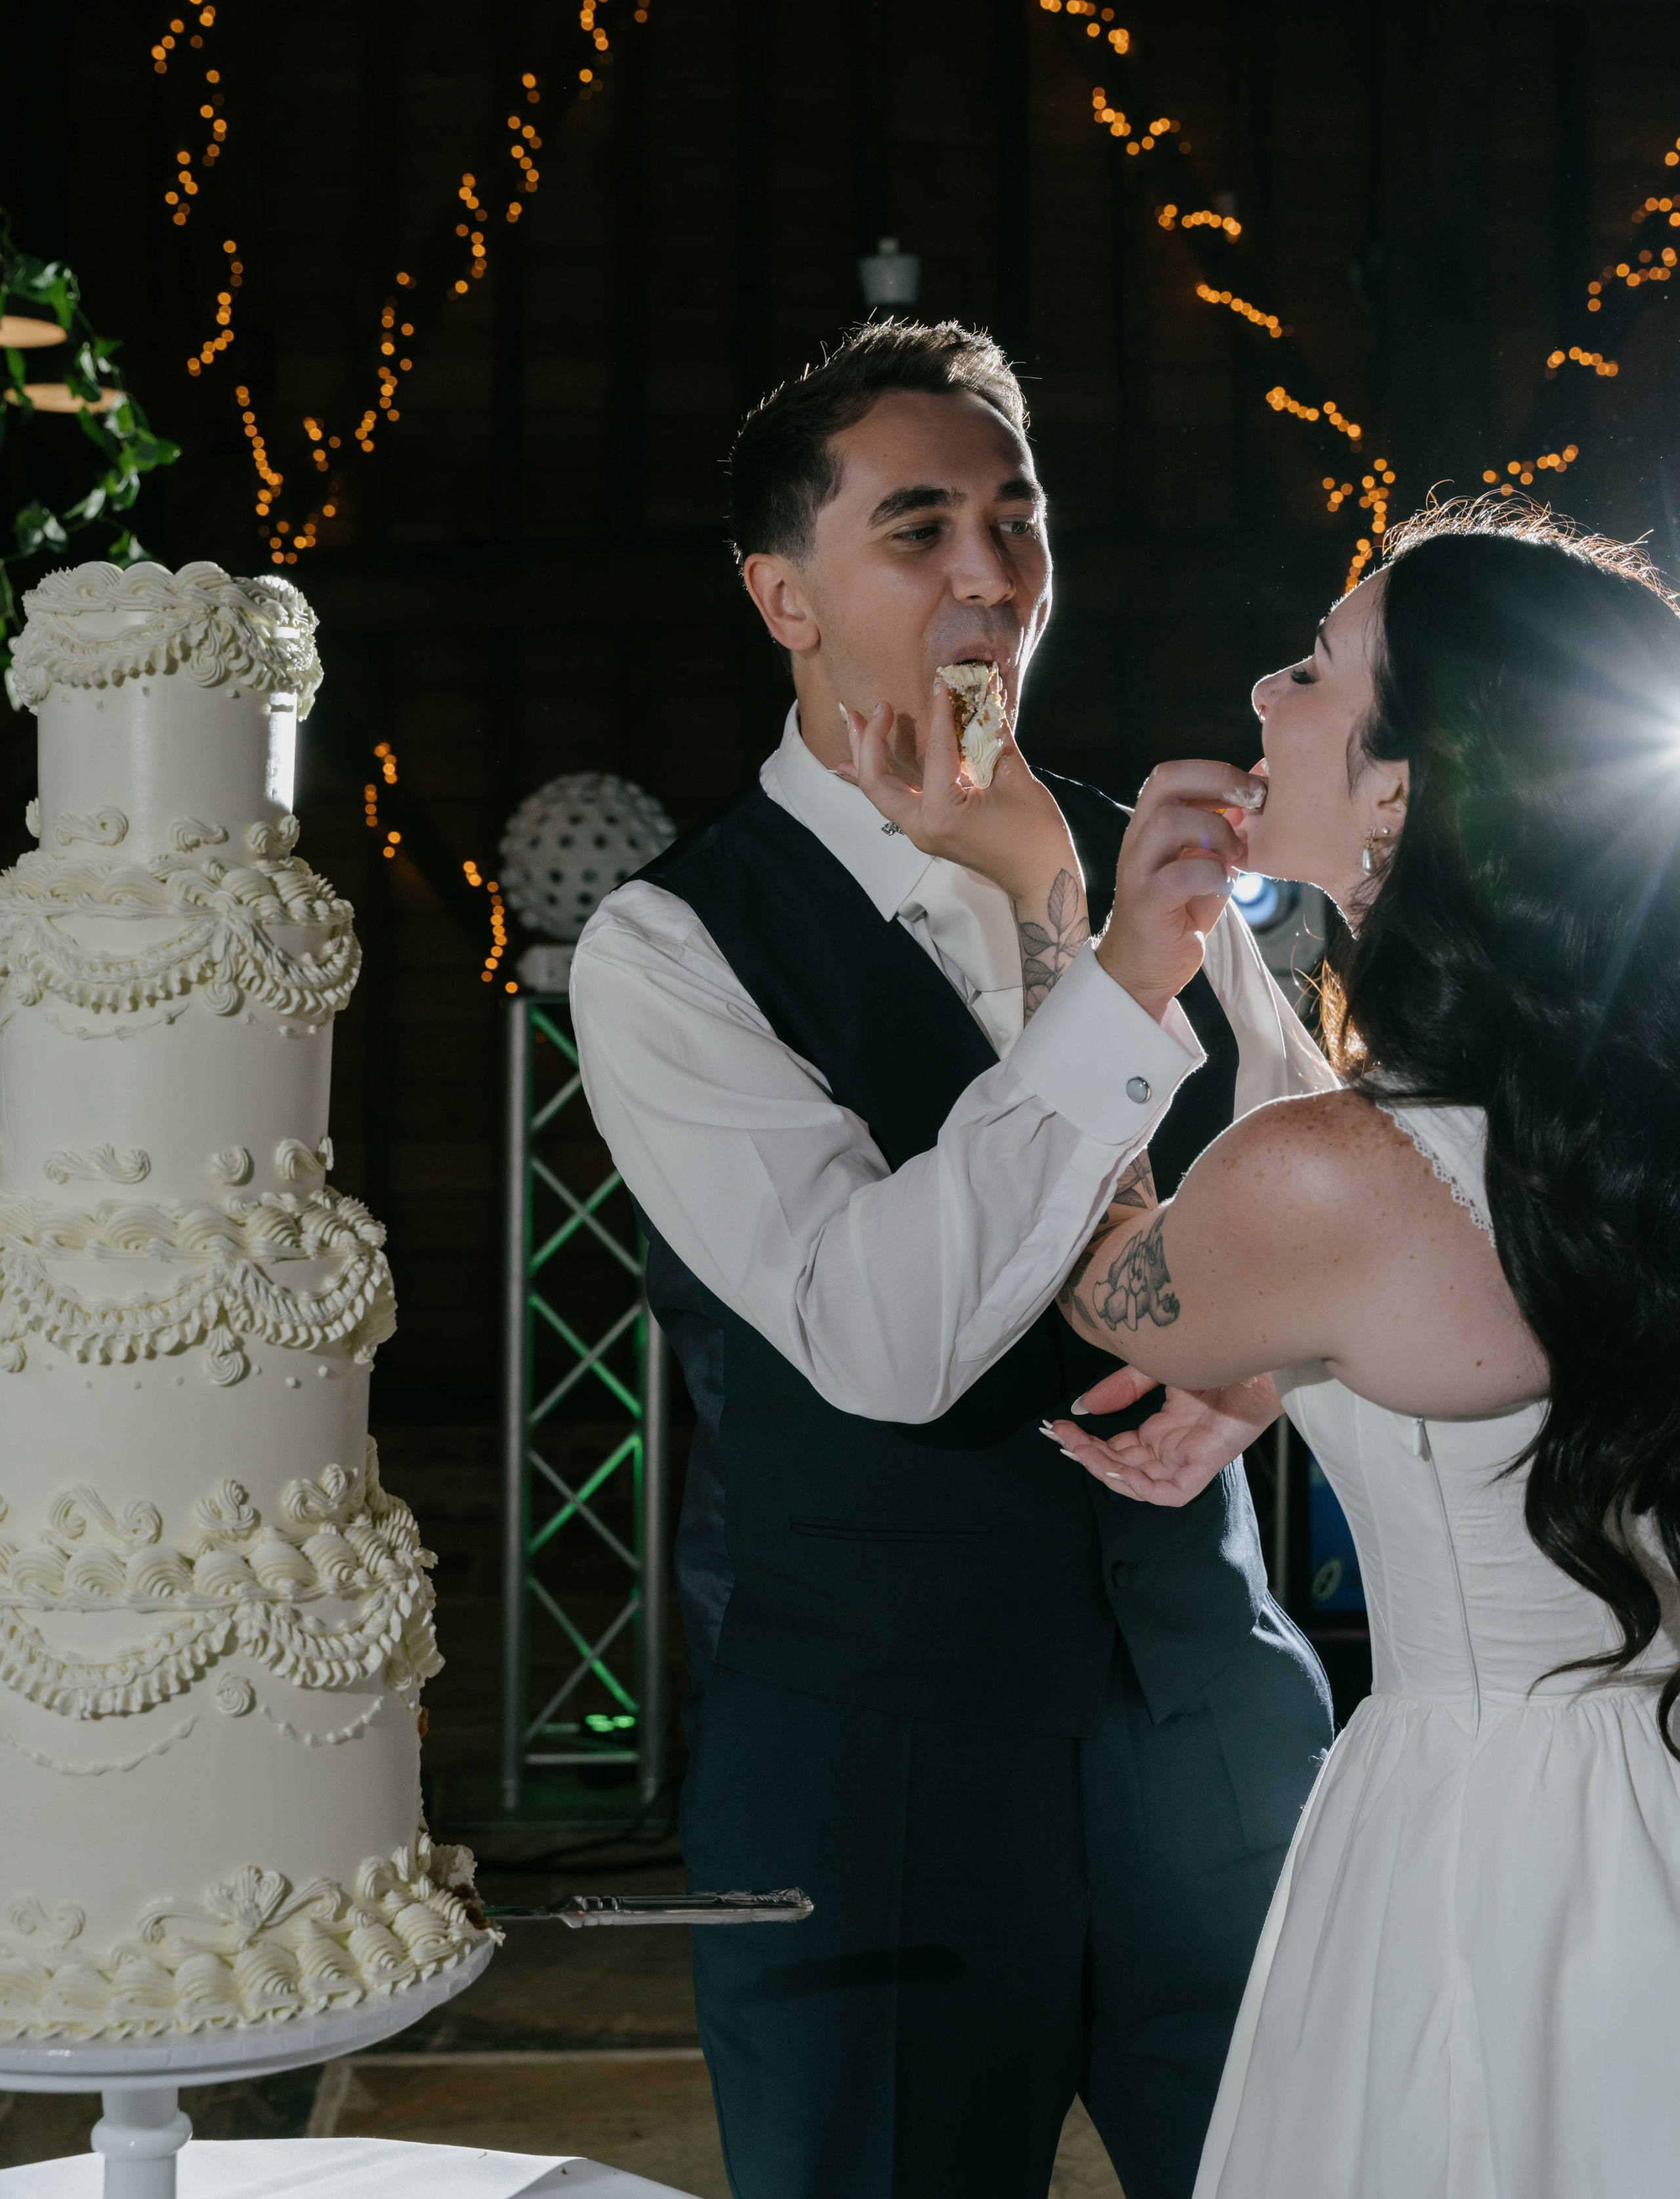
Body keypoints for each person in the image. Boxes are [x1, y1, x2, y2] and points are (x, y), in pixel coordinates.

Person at [571, 317, 1332, 2199]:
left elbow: (1345, 1193)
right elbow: (883, 1338)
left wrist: (1270, 1364)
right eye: (919, 529)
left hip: (1218, 1734)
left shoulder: (1147, 859)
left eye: (1018, 517)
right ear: (785, 597)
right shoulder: (669, 953)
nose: (992, 571)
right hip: (872, 1781)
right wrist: (1117, 976)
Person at [850, 499, 1680, 2199]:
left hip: (1492, 1852)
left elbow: (1100, 1275)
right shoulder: (1602, 1126)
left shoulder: (1333, 1185)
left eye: (1313, 665)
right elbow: (1422, 1243)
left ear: (1402, 787)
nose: (1262, 682)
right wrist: (1294, 1361)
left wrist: (1079, 934)